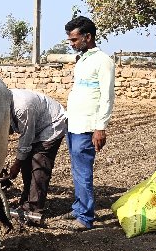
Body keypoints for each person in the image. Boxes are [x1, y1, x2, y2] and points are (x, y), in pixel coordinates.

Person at [62, 15, 116, 231]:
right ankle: (78, 208)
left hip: (87, 127)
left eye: (74, 40)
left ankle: (85, 217)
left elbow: (107, 96)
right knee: (76, 170)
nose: (72, 44)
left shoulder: (103, 61)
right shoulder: (83, 59)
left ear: (88, 37)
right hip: (73, 124)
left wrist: (100, 127)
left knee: (83, 172)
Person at [7, 89, 67, 220]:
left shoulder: (22, 107)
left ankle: (34, 208)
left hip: (52, 124)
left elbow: (26, 140)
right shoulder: (3, 103)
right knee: (26, 163)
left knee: (39, 162)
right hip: (37, 125)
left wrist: (16, 165)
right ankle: (26, 200)